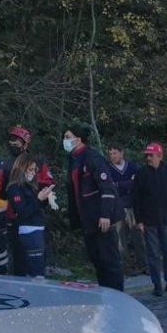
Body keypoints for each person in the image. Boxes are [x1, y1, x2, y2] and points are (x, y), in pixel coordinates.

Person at [64, 124, 123, 291]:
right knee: (97, 260)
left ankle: (117, 296)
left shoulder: (92, 158)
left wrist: (105, 214)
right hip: (87, 220)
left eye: (68, 137)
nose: (65, 141)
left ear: (78, 139)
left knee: (109, 261)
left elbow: (107, 187)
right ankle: (106, 293)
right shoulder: (73, 160)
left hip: (101, 218)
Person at [134, 143, 167, 297]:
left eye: (151, 155)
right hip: (149, 221)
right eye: (147, 155)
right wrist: (139, 220)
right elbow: (136, 199)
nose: (148, 158)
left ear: (159, 156)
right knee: (154, 254)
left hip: (166, 220)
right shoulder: (141, 174)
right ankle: (157, 284)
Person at [3, 153, 54, 277]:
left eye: (34, 170)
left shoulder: (31, 185)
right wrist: (38, 199)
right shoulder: (14, 188)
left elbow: (37, 207)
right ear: (22, 168)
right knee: (33, 271)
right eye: (30, 169)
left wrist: (46, 198)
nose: (32, 173)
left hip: (38, 228)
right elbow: (23, 212)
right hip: (28, 231)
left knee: (38, 269)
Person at [106, 145, 148, 274]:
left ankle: (145, 265)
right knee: (121, 240)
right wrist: (126, 184)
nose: (113, 156)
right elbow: (111, 187)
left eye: (115, 153)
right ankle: (127, 268)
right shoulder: (108, 170)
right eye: (111, 154)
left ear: (122, 153)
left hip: (132, 207)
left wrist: (121, 185)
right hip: (117, 208)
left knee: (139, 238)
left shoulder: (132, 167)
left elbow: (138, 184)